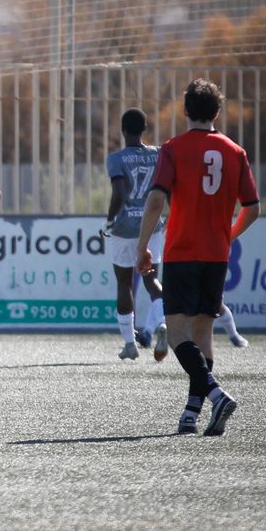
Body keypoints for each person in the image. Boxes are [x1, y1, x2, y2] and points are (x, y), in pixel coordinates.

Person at [137, 78, 260, 436]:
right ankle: (191, 414)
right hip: (216, 255)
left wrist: (143, 245)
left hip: (182, 252)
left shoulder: (173, 148)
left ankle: (216, 394)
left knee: (177, 335)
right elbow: (252, 208)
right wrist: (228, 235)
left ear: (185, 110)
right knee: (203, 333)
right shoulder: (235, 152)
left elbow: (157, 200)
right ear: (217, 113)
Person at [101, 109, 167, 360]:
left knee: (124, 282)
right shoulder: (158, 154)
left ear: (122, 129)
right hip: (152, 225)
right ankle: (161, 321)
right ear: (144, 129)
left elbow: (118, 194)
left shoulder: (116, 158)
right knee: (151, 279)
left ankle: (130, 343)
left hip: (124, 228)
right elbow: (167, 189)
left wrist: (109, 222)